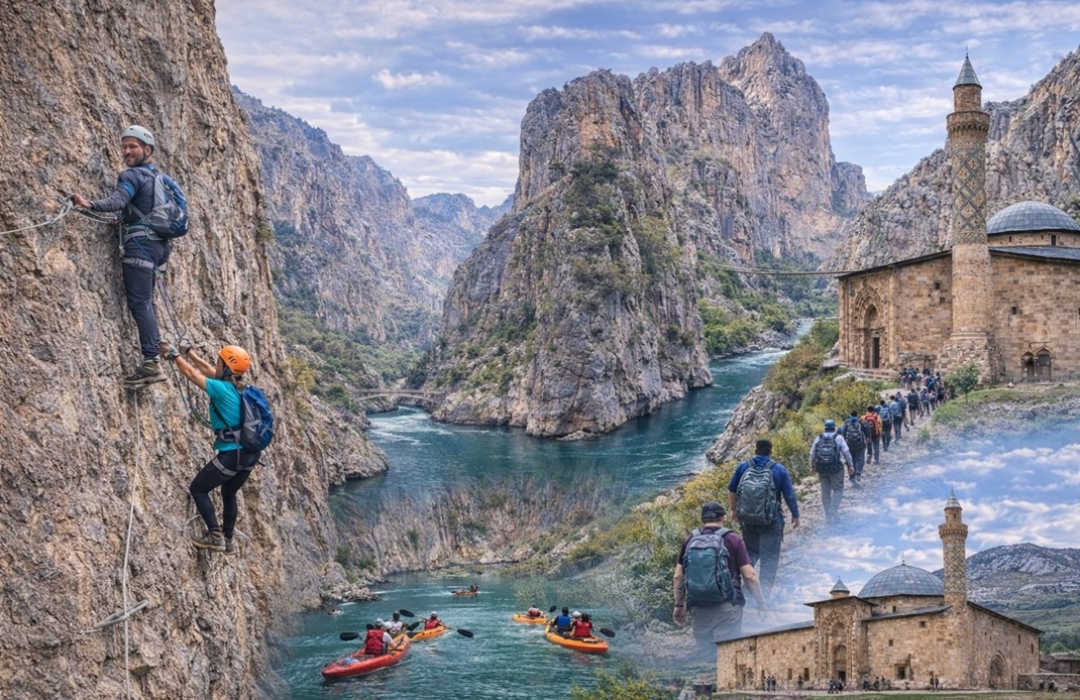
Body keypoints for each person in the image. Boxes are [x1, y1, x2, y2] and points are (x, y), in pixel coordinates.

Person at [72, 126, 185, 386]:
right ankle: (154, 346)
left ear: (148, 149)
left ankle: (150, 363)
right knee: (147, 301)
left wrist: (90, 204)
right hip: (160, 248)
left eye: (132, 146)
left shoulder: (131, 176)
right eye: (124, 146)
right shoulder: (159, 180)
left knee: (140, 303)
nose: (127, 151)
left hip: (140, 247)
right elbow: (136, 210)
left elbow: (118, 200)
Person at [168, 342, 260, 554]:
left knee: (198, 488)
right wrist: (190, 352)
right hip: (250, 454)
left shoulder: (221, 388)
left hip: (232, 454)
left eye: (220, 361)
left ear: (227, 367)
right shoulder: (241, 388)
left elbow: (192, 374)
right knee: (229, 492)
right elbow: (209, 371)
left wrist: (174, 356)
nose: (216, 363)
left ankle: (215, 536)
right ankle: (228, 540)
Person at [673, 501, 765, 656]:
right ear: (724, 517)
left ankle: (707, 680)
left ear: (702, 519)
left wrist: (678, 605)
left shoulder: (689, 540)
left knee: (704, 656)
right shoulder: (732, 539)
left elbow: (678, 576)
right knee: (729, 655)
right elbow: (750, 576)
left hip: (698, 606)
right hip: (727, 606)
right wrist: (761, 604)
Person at [727, 439, 800, 597]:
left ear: (756, 450)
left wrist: (734, 510)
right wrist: (795, 515)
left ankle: (746, 584)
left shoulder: (743, 466)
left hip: (748, 519)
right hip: (771, 521)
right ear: (770, 451)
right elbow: (789, 495)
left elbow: (732, 489)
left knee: (751, 552)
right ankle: (764, 594)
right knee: (769, 557)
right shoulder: (778, 469)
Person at [809, 420, 854, 524]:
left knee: (825, 491)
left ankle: (828, 516)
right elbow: (846, 452)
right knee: (838, 489)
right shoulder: (838, 438)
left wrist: (812, 466)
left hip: (822, 469)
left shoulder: (818, 438)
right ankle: (833, 509)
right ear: (834, 427)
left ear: (825, 427)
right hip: (836, 469)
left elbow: (812, 453)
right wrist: (850, 465)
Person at [839, 411, 869, 486]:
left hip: (849, 445)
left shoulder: (846, 422)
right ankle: (858, 473)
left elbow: (842, 432)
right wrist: (867, 438)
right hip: (860, 445)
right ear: (857, 415)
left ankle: (852, 476)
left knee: (850, 459)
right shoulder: (861, 421)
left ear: (850, 415)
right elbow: (867, 431)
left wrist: (844, 442)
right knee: (860, 458)